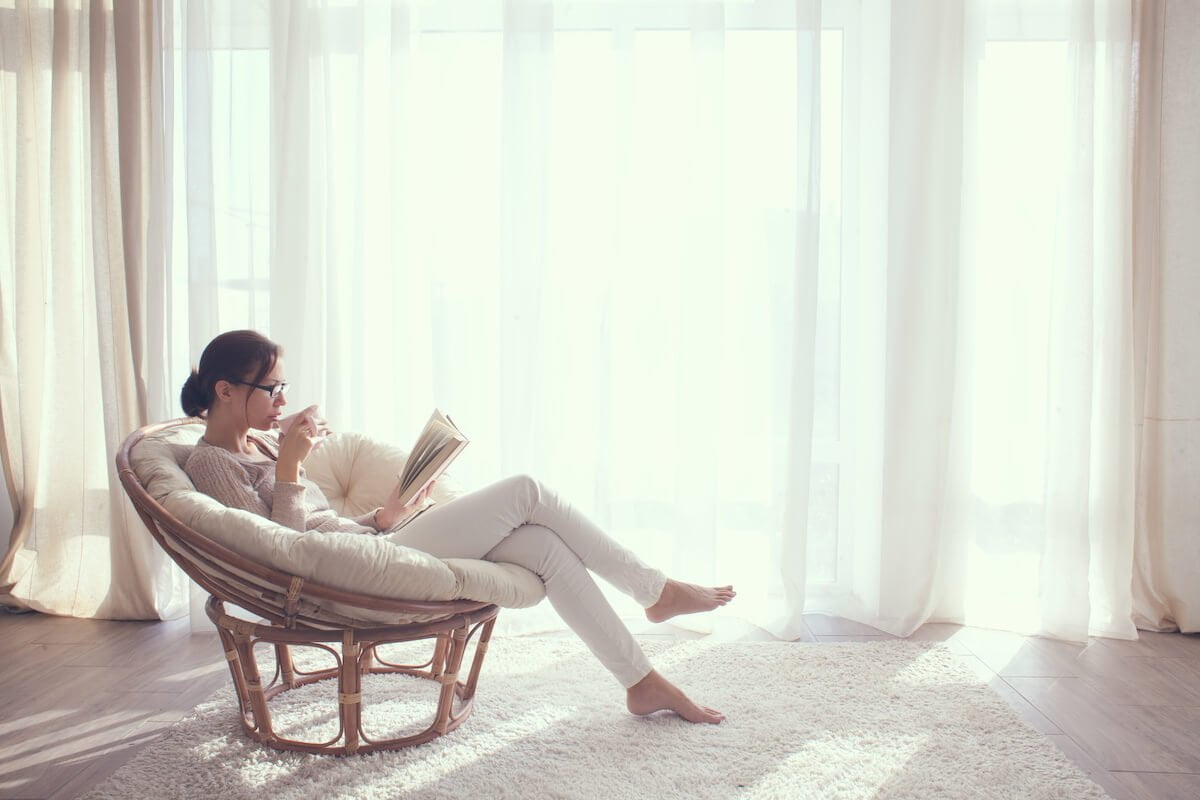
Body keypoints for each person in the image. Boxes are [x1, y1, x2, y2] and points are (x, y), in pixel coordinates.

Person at [180, 330, 736, 724]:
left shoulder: (262, 444)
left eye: (283, 386)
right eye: (271, 388)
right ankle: (655, 590)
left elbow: (320, 528)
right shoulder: (212, 463)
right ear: (225, 391)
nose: (282, 400)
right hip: (347, 580)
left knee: (541, 544)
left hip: (367, 548)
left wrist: (386, 515)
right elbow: (280, 553)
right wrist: (291, 466)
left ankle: (641, 683)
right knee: (527, 491)